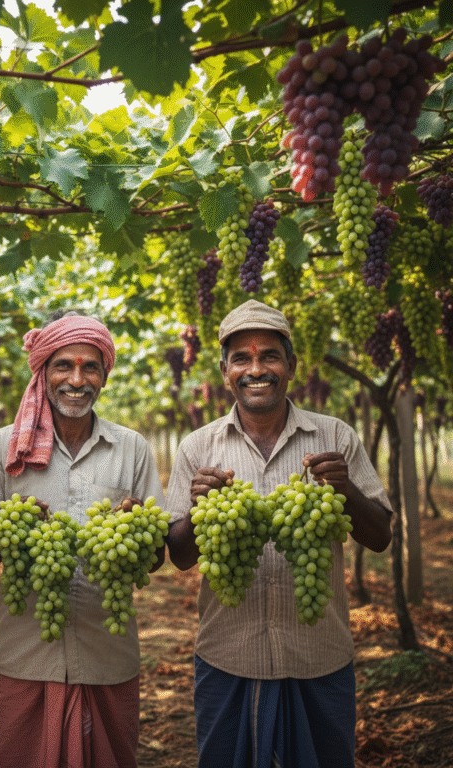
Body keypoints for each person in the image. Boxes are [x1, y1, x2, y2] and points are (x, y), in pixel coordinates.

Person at [165, 298, 392, 768]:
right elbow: (181, 556)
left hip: (318, 656)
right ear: (225, 370)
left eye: (269, 355)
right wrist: (196, 509)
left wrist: (345, 489)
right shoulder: (198, 447)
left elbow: (382, 535)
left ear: (291, 365)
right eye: (242, 359)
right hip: (227, 656)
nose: (256, 369)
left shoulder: (336, 437)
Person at [0, 310, 165, 768]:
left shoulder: (131, 448)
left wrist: (136, 531)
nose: (77, 379)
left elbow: (155, 560)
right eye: (63, 365)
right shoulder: (3, 447)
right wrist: (13, 527)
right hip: (24, 656)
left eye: (90, 366)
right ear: (43, 371)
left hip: (107, 654)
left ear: (104, 375)